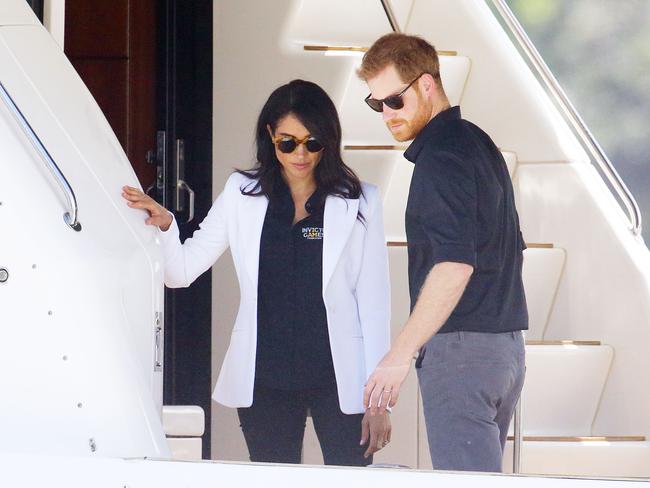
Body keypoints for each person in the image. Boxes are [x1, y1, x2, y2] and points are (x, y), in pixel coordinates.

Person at [122, 79, 391, 466]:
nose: (301, 154)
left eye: (312, 143)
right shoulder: (241, 193)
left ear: (329, 141)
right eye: (288, 142)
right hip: (265, 375)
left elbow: (375, 302)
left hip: (340, 376)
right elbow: (180, 272)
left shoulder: (361, 200)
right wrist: (166, 227)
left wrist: (379, 398)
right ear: (270, 135)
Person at [357, 33, 528, 472]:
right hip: (503, 351)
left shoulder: (441, 159)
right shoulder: (479, 144)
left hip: (462, 355)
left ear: (427, 85)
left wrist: (399, 354)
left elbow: (454, 265)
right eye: (377, 105)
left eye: (394, 100)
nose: (387, 115)